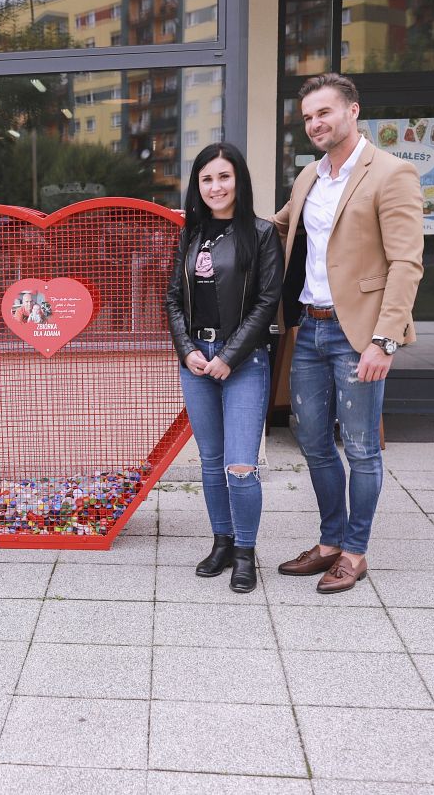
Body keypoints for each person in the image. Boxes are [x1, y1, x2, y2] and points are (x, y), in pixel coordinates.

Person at [272, 72, 424, 593]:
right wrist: (208, 217)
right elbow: (278, 226)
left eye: (324, 112)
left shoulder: (392, 173)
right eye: (308, 117)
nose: (315, 123)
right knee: (313, 442)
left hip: (357, 334)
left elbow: (406, 263)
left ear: (352, 110)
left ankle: (354, 553)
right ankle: (330, 541)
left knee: (360, 449)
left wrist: (385, 340)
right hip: (309, 329)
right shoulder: (308, 176)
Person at [165, 142, 283, 593]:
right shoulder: (191, 234)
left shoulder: (262, 233)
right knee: (211, 463)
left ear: (239, 181)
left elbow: (266, 303)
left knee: (240, 466)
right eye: (207, 179)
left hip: (243, 361)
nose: (215, 187)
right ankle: (222, 542)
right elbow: (173, 298)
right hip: (196, 359)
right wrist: (186, 350)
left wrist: (228, 356)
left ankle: (246, 553)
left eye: (224, 177)